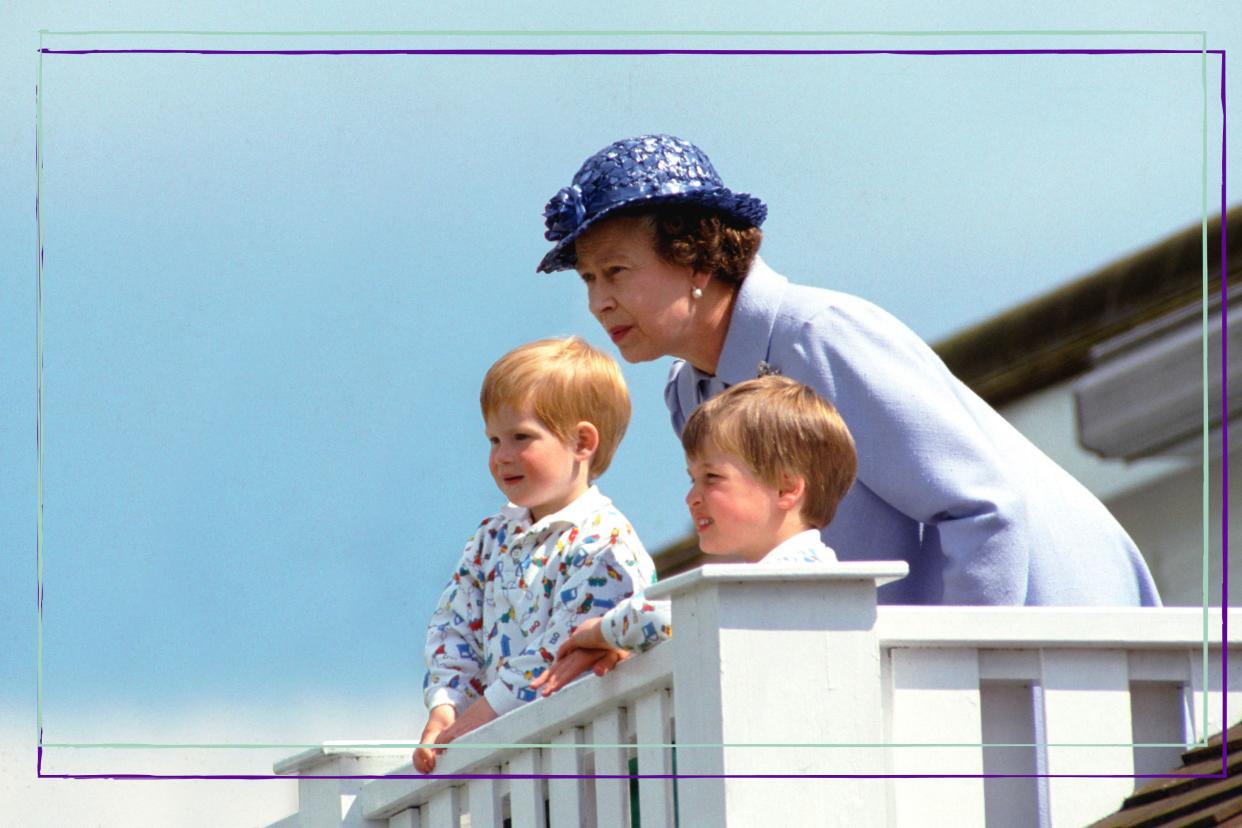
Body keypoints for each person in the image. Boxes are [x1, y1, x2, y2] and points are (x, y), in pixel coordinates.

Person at [534, 133, 1161, 607]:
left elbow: (982, 508)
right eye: (589, 278)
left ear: (696, 257)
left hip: (1061, 640)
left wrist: (950, 686)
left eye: (615, 271)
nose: (598, 302)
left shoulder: (818, 334)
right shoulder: (690, 390)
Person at [414, 337, 656, 774]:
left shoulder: (605, 542)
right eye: (493, 439)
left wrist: (479, 719)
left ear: (583, 442)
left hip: (589, 762)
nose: (501, 457)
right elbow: (454, 622)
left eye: (520, 437)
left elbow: (564, 647)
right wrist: (447, 704)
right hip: (509, 765)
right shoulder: (492, 537)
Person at [531, 375, 857, 696]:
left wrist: (599, 632)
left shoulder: (795, 574)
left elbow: (664, 615)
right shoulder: (779, 577)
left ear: (786, 488)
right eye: (692, 480)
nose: (692, 498)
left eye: (712, 477)